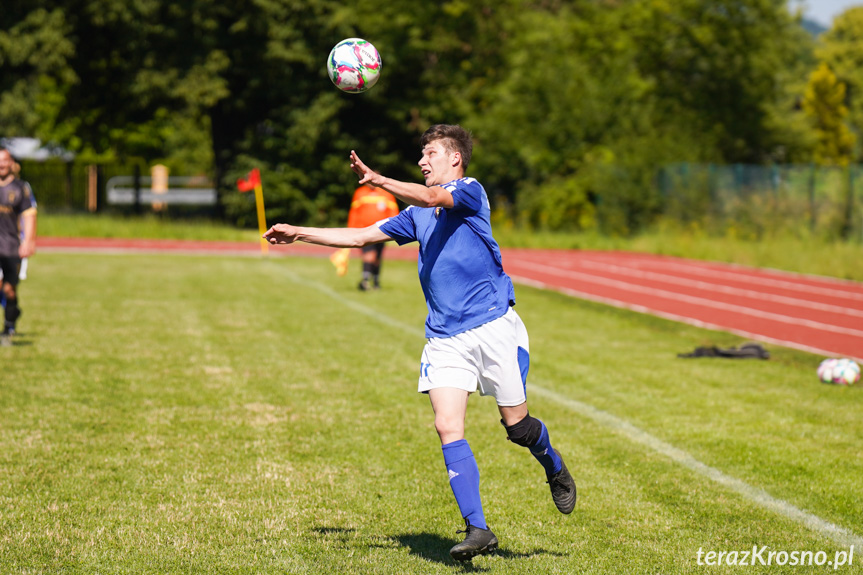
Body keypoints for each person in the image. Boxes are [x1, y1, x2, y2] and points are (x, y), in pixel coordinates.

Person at [264, 124, 576, 561]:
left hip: (493, 327)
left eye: (430, 153)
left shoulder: (470, 191)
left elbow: (432, 197)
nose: (422, 160)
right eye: (422, 154)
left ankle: (554, 466)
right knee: (447, 426)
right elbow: (358, 237)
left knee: (518, 428)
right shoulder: (415, 217)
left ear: (455, 159)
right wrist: (299, 231)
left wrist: (378, 179)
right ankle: (478, 528)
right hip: (445, 337)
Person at [0, 148, 37, 345]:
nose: (1, 164)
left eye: (4, 160)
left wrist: (29, 241)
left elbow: (29, 215)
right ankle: (9, 324)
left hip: (11, 247)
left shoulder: (20, 188)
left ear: (11, 162)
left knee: (9, 290)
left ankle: (10, 324)